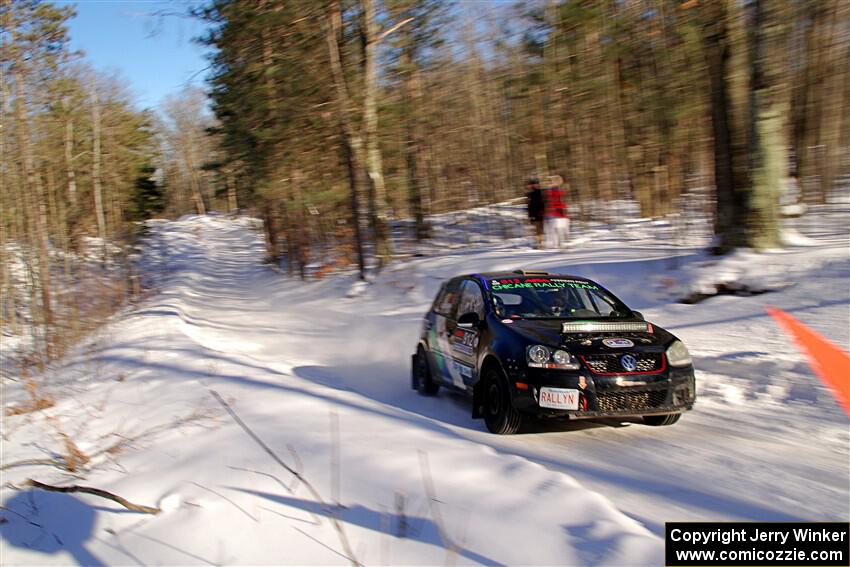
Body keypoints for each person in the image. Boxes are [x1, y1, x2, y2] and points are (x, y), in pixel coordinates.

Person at [543, 175, 570, 248]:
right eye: (549, 182)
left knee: (561, 228)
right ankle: (558, 243)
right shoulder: (550, 190)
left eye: (551, 182)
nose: (550, 183)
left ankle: (562, 243)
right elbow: (549, 201)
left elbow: (562, 199)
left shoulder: (558, 190)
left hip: (560, 211)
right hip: (554, 212)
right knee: (556, 228)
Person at [525, 178, 544, 248]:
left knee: (540, 229)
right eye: (533, 184)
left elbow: (542, 203)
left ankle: (541, 244)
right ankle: (538, 243)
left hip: (540, 213)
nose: (534, 185)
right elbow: (529, 206)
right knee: (536, 229)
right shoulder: (529, 194)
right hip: (533, 214)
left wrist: (542, 211)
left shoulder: (540, 192)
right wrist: (529, 215)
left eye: (536, 184)